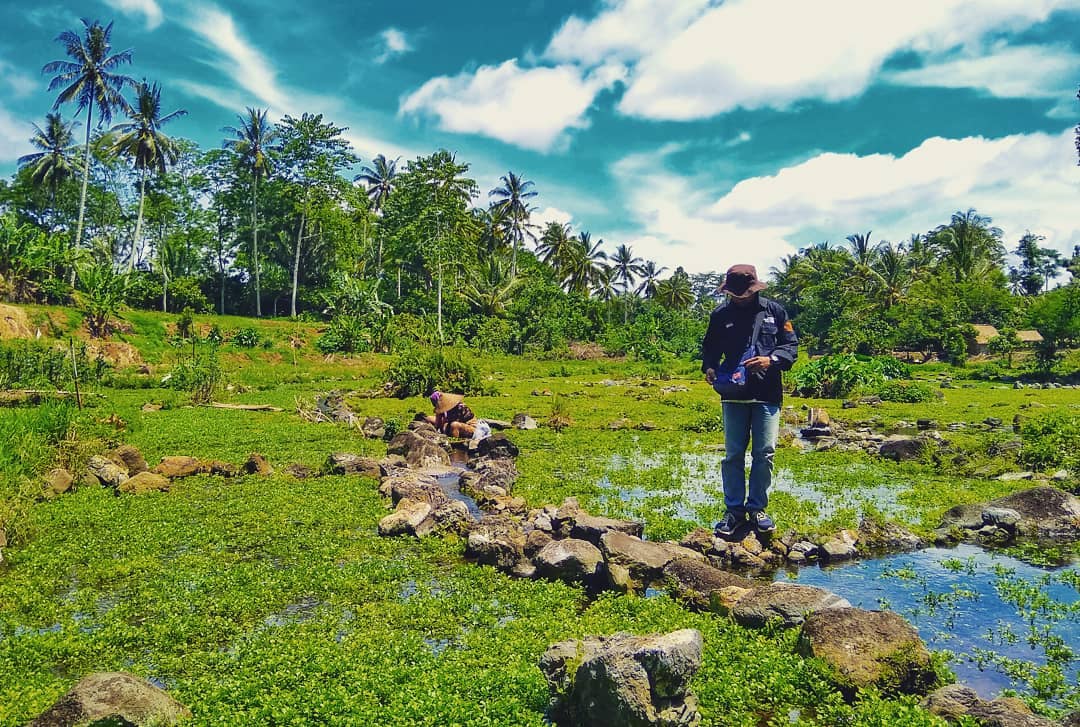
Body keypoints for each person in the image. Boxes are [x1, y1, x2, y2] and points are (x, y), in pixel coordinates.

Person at [701, 264, 798, 537]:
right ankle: (734, 511)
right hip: (733, 395)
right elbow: (710, 347)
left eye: (743, 293)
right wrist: (709, 367)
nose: (739, 298)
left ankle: (757, 509)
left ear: (754, 288)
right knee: (733, 455)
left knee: (764, 453)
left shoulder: (775, 312)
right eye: (734, 294)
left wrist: (771, 360)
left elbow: (790, 346)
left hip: (767, 393)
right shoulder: (720, 315)